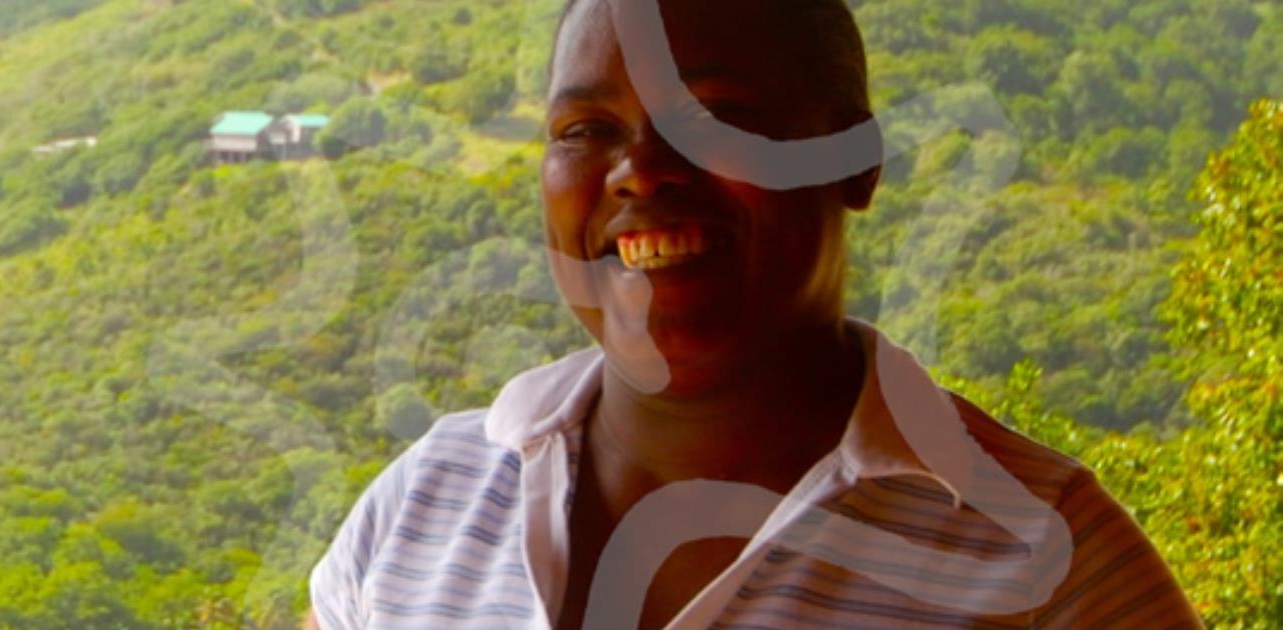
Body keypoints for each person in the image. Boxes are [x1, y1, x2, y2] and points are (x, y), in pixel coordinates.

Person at [307, 0, 1201, 628]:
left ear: (854, 159)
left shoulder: (1049, 558)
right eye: (585, 129)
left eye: (715, 116)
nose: (639, 169)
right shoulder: (426, 499)